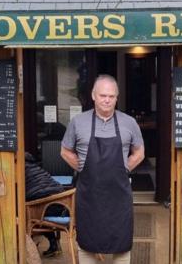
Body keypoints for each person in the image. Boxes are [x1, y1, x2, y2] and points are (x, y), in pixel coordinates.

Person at [61, 74, 145, 264]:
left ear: (117, 97)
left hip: (119, 197)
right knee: (87, 243)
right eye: (103, 95)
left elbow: (139, 152)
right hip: (89, 197)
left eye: (111, 96)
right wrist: (82, 167)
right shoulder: (78, 122)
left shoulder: (129, 122)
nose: (107, 100)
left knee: (122, 244)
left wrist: (124, 168)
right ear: (93, 96)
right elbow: (65, 151)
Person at [25, 152, 67, 258]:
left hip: (49, 206)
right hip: (63, 205)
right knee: (37, 211)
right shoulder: (37, 169)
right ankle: (54, 245)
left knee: (27, 214)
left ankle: (27, 248)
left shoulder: (22, 170)